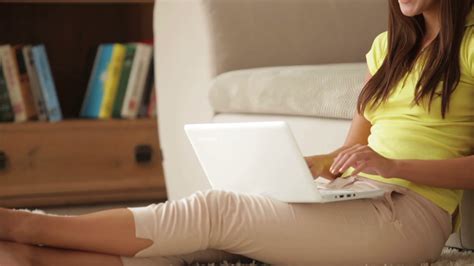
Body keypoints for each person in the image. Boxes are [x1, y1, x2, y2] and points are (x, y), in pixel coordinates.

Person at [1, 0, 473, 265]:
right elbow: (348, 151)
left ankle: (30, 224)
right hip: (359, 194)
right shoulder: (387, 47)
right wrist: (293, 168)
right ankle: (34, 258)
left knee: (216, 211)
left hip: (411, 216)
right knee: (196, 245)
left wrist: (393, 166)